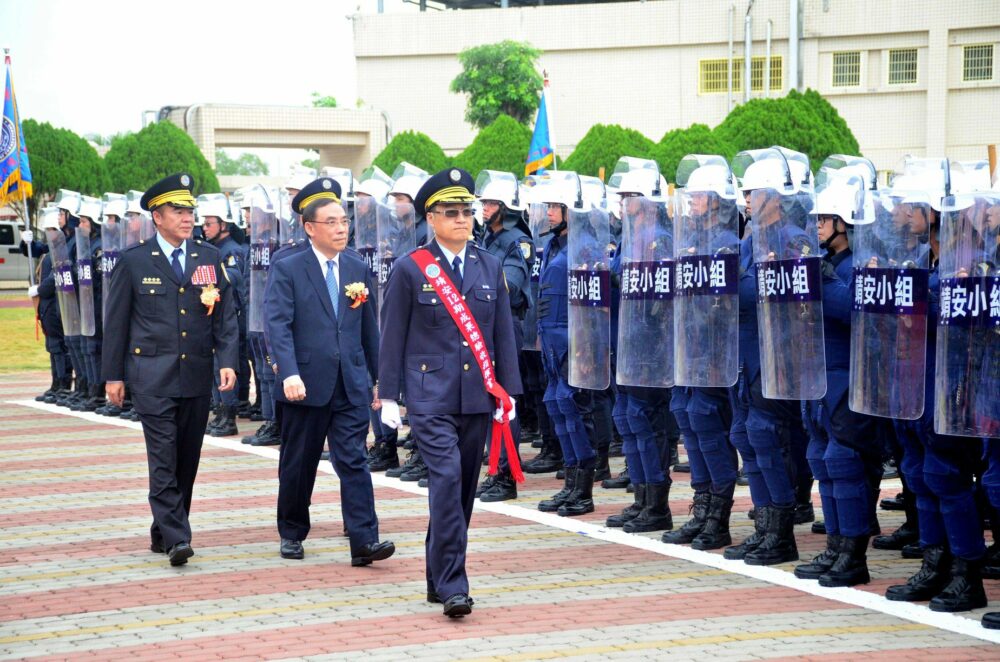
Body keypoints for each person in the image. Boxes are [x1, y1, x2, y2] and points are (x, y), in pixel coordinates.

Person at [378, 168, 522, 618]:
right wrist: (387, 398)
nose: (463, 219)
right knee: (444, 481)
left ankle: (435, 578)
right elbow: (391, 336)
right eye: (451, 212)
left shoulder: (489, 265)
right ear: (431, 218)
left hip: (477, 394)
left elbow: (502, 334)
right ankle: (455, 584)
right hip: (429, 395)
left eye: (467, 211)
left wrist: (509, 391)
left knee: (461, 492)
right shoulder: (410, 269)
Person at [102, 173, 239, 566]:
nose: (187, 217)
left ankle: (163, 531)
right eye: (178, 211)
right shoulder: (134, 261)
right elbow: (117, 323)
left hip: (195, 374)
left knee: (186, 459)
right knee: (163, 456)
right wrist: (113, 376)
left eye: (190, 210)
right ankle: (179, 538)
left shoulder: (208, 258)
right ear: (156, 216)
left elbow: (225, 316)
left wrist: (227, 361)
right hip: (151, 377)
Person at [264, 176, 395, 566]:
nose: (341, 228)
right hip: (304, 383)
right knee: (299, 461)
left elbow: (369, 328)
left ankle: (364, 540)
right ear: (309, 227)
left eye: (344, 221)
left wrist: (380, 380)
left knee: (353, 459)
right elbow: (278, 324)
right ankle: (292, 531)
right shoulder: (287, 266)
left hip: (350, 383)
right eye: (332, 222)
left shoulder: (355, 265)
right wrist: (287, 372)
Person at [475, 170, 534, 502]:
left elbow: (509, 287)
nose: (485, 208)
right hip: (485, 325)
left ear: (507, 206)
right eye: (484, 202)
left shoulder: (517, 242)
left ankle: (507, 476)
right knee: (488, 399)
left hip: (505, 325)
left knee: (504, 400)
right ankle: (495, 467)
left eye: (491, 203)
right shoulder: (487, 237)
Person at [199, 194, 247, 437]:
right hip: (212, 314)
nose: (204, 228)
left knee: (225, 365)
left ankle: (229, 415)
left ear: (224, 224)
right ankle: (220, 411)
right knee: (215, 365)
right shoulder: (212, 250)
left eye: (209, 223)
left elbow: (232, 282)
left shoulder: (231, 251)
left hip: (231, 315)